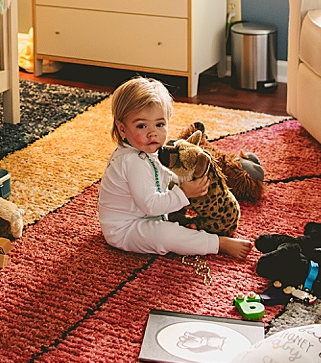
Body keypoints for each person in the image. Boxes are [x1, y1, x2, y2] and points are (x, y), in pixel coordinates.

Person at [96, 77, 252, 259]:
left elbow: (161, 175)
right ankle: (217, 243)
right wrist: (183, 193)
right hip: (124, 229)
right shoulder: (132, 162)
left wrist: (182, 181)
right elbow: (151, 206)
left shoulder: (146, 149)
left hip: (145, 216)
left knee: (171, 217)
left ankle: (186, 227)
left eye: (160, 124)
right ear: (122, 129)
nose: (152, 132)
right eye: (141, 125)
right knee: (166, 235)